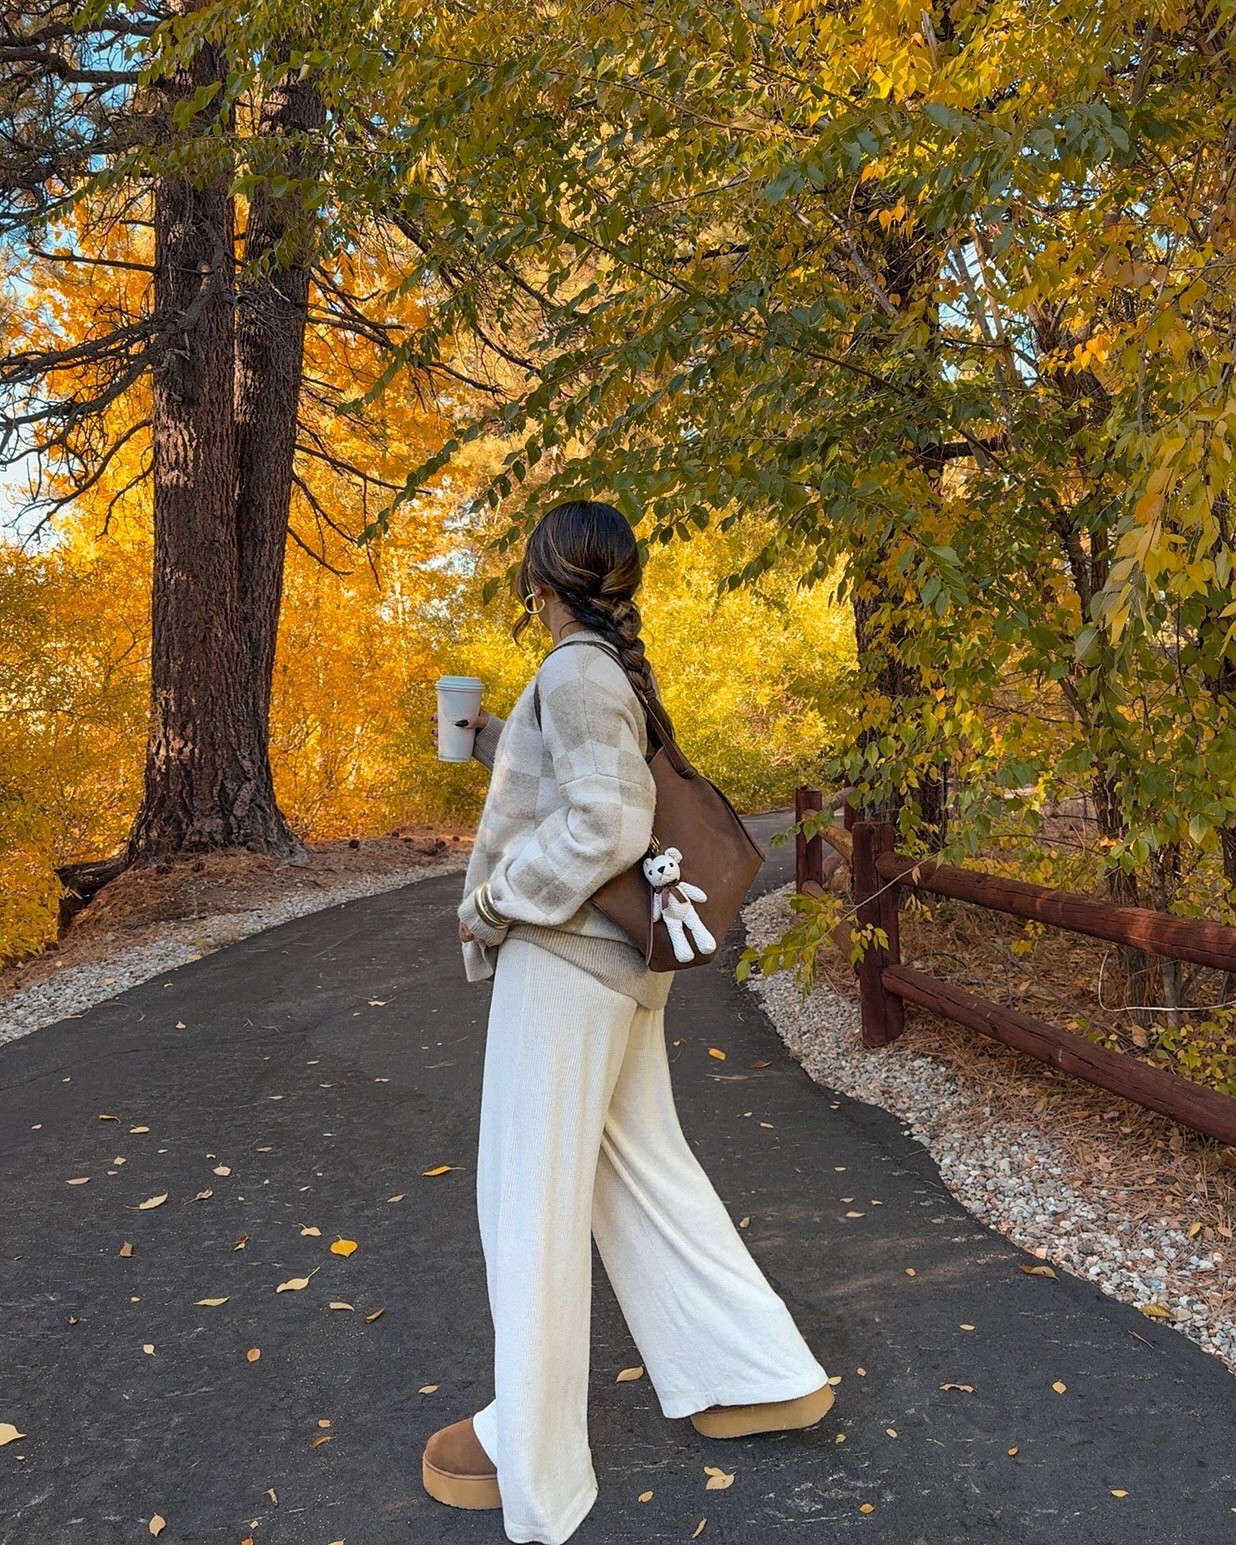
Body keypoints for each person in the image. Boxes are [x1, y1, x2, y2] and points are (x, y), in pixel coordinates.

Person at [422, 499, 831, 1545]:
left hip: (567, 967)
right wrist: (493, 744)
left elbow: (608, 820)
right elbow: (589, 776)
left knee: (529, 1203)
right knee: (639, 1170)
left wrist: (498, 896)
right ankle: (759, 1372)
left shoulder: (574, 670)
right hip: (615, 972)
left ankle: (532, 1449)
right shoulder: (602, 673)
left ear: (538, 582)